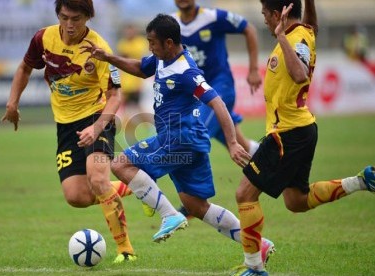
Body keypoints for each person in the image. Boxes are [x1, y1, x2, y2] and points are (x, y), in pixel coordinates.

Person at [81, 14, 274, 267]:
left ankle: (168, 214)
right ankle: (258, 243)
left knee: (120, 164)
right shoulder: (162, 59)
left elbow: (217, 103)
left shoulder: (185, 71)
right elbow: (140, 68)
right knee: (195, 205)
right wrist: (108, 58)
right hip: (190, 140)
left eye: (152, 42)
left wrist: (234, 142)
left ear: (169, 43)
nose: (149, 47)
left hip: (179, 137)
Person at [231, 1, 374, 275]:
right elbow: (313, 25)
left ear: (277, 15)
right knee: (295, 201)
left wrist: (281, 35)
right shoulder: (305, 31)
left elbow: (298, 74)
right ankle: (360, 181)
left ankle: (254, 267)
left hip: (288, 133)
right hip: (298, 130)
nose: (264, 20)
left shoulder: (294, 38)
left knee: (244, 193)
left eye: (265, 14)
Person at [1, 0, 137, 263]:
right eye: (64, 18)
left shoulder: (99, 50)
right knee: (76, 197)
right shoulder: (43, 38)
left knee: (97, 179)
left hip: (98, 117)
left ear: (88, 17)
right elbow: (24, 68)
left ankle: (126, 250)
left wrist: (96, 128)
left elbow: (115, 97)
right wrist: (12, 102)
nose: (69, 25)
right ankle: (138, 186)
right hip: (65, 125)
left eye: (76, 19)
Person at [172, 0, 262, 156]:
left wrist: (253, 69)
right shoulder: (171, 24)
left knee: (195, 135)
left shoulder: (214, 17)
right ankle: (261, 156)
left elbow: (249, 29)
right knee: (239, 144)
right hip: (196, 93)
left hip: (219, 87)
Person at [116, 23, 149, 145]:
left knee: (134, 105)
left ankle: (149, 125)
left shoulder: (140, 42)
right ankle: (127, 127)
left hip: (136, 81)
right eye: (127, 31)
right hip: (125, 81)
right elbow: (120, 61)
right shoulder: (122, 43)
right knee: (123, 104)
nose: (128, 33)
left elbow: (141, 60)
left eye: (130, 30)